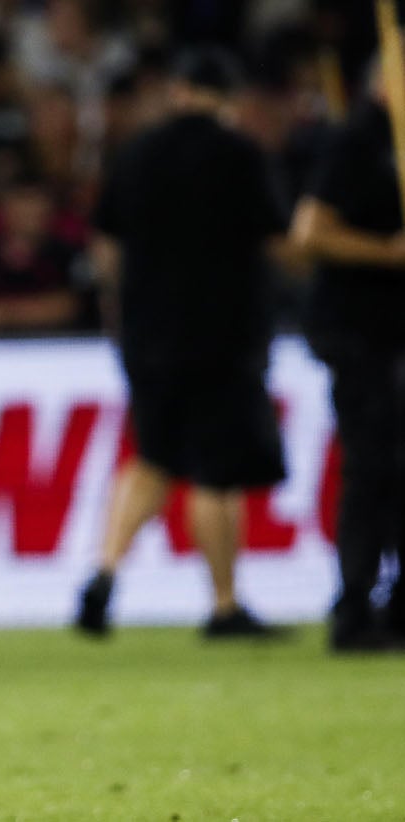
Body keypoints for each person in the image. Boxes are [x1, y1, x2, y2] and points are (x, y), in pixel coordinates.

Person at [73, 48, 290, 639]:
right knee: (216, 471)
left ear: (179, 92)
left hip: (147, 336)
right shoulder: (241, 154)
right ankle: (224, 605)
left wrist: (124, 311)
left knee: (154, 456)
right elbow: (279, 241)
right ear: (228, 100)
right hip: (225, 335)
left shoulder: (137, 153)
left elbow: (106, 246)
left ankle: (104, 570)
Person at [289, 58, 405, 653]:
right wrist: (389, 252)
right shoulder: (358, 139)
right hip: (359, 331)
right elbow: (309, 232)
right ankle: (355, 607)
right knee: (372, 466)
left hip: (391, 333)